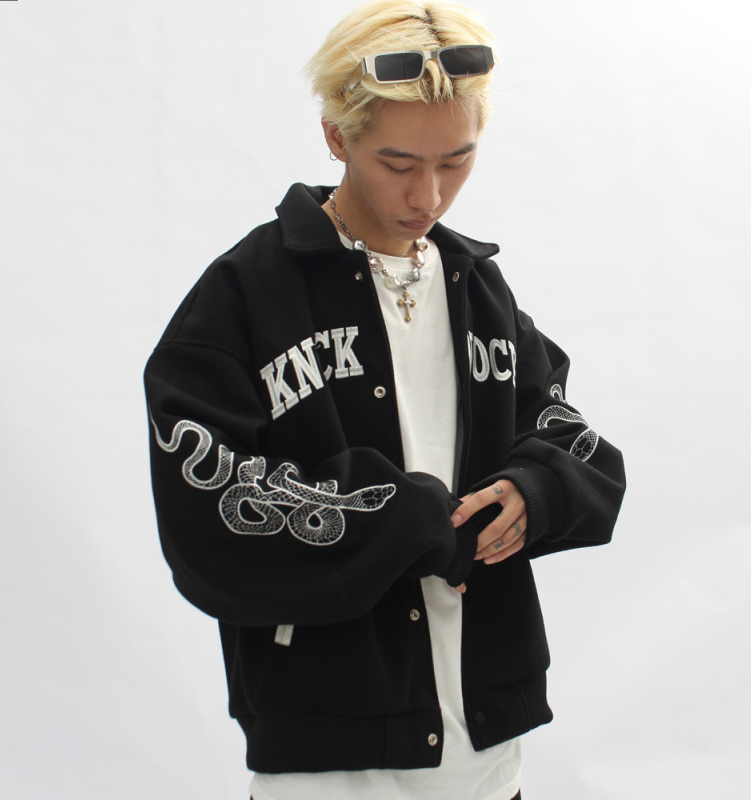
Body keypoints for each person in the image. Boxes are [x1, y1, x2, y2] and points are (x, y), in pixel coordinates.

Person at [144, 1, 626, 798]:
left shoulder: (478, 287)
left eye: (457, 161)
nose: (428, 196)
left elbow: (566, 434)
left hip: (486, 749)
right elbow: (207, 521)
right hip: (325, 757)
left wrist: (532, 490)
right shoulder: (243, 297)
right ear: (337, 137)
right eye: (398, 164)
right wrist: (413, 522)